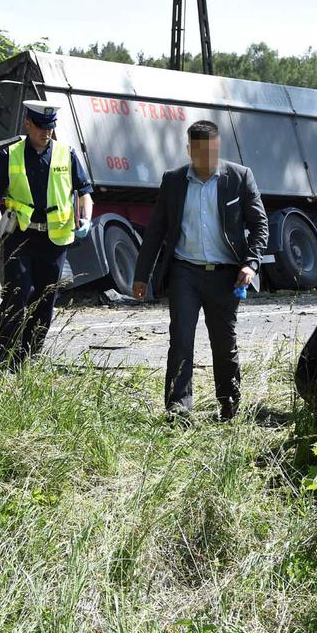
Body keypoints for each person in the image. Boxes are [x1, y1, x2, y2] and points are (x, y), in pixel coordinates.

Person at [132, 120, 268, 421]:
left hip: (225, 274)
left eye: (213, 152)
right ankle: (178, 409)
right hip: (185, 273)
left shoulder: (239, 177)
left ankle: (229, 404)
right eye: (201, 153)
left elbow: (260, 225)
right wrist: (141, 276)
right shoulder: (173, 181)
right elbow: (155, 231)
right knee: (180, 338)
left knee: (223, 341)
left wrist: (250, 262)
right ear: (189, 150)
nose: (208, 159)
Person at [0, 100, 94, 371]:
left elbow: (85, 192)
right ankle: (3, 363)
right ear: (28, 123)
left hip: (55, 241)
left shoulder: (67, 154)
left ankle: (27, 359)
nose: (46, 133)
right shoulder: (11, 155)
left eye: (50, 128)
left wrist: (85, 218)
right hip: (21, 237)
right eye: (40, 127)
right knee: (17, 294)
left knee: (44, 301)